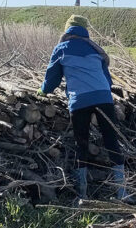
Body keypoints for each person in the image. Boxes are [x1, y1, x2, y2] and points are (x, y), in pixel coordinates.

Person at [39, 15, 125, 201]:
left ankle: (83, 195)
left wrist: (43, 91)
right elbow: (107, 80)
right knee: (112, 141)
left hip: (79, 101)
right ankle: (123, 193)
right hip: (104, 97)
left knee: (81, 144)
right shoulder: (94, 48)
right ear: (84, 30)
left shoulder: (61, 48)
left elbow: (52, 79)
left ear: (67, 29)